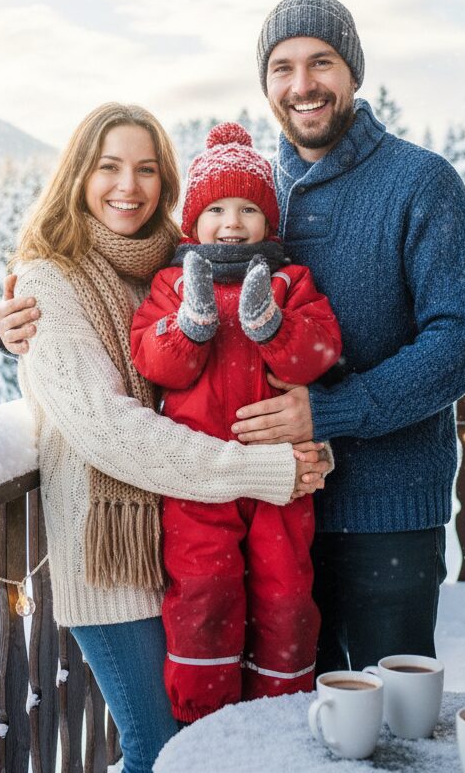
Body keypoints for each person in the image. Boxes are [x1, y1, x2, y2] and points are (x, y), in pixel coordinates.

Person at [0, 0, 465, 676]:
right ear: (265, 85)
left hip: (385, 513)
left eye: (320, 63)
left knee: (392, 719)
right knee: (287, 722)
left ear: (352, 71)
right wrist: (18, 323)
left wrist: (329, 410)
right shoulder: (261, 192)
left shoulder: (420, 182)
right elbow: (138, 288)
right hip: (267, 517)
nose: (302, 85)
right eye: (282, 68)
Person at [10, 102, 330, 773]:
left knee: (206, 743)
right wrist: (261, 470)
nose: (129, 186)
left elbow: (215, 385)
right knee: (162, 752)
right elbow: (109, 429)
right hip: (110, 559)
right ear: (77, 175)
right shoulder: (48, 280)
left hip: (178, 537)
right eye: (109, 167)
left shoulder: (162, 267)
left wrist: (308, 434)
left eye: (147, 169)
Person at [129, 121, 342, 721]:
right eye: (216, 208)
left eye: (248, 207)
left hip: (280, 479)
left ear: (268, 221)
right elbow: (155, 361)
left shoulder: (287, 281)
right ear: (191, 223)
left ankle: (279, 708)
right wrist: (191, 324)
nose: (232, 221)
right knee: (204, 592)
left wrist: (273, 326)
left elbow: (321, 350)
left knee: (286, 592)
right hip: (200, 484)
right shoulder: (172, 285)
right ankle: (205, 718)